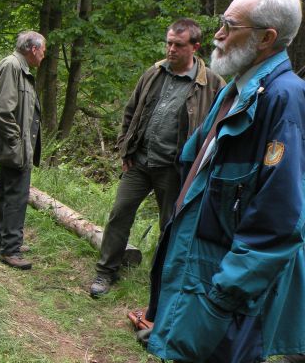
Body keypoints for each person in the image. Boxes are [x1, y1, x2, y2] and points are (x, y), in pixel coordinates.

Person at [140, 0, 305, 363]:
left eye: (229, 26)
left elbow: (278, 219)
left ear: (267, 38)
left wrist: (227, 292)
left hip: (231, 281)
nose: (216, 34)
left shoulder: (283, 99)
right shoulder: (240, 87)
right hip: (201, 267)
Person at [89, 19, 224, 297]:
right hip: (139, 162)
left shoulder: (212, 85)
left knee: (170, 227)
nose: (171, 49)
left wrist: (199, 171)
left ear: (195, 47)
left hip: (175, 170)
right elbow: (131, 111)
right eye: (169, 43)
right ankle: (105, 272)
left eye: (178, 45)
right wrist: (125, 149)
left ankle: (162, 283)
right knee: (119, 214)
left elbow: (218, 132)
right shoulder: (154, 72)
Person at [0, 32, 45, 270]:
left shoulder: (17, 66)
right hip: (16, 145)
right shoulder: (13, 66)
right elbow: (3, 111)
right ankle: (10, 249)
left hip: (16, 144)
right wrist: (16, 142)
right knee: (16, 196)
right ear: (33, 49)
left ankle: (3, 242)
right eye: (43, 50)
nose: (43, 55)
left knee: (7, 191)